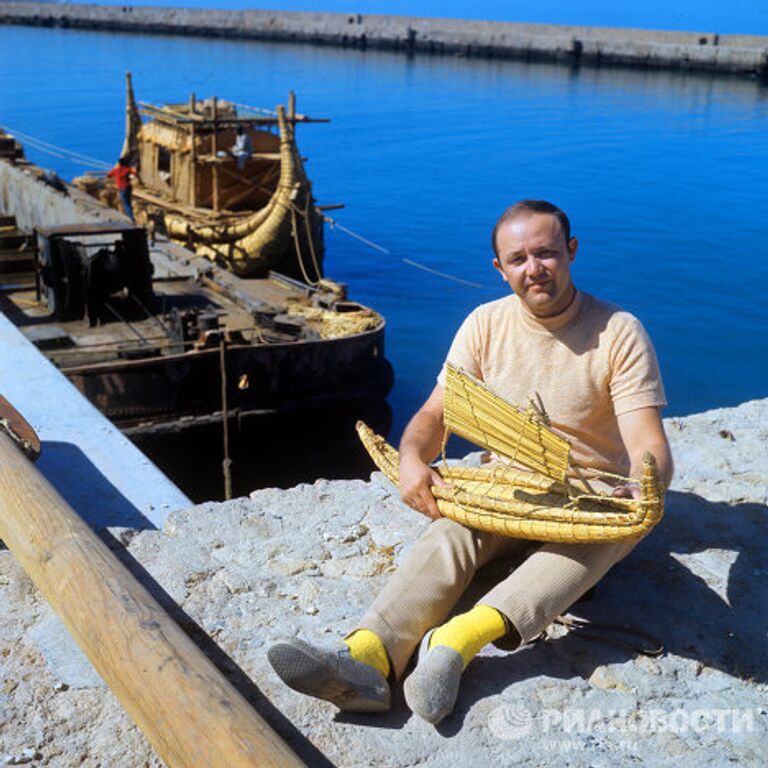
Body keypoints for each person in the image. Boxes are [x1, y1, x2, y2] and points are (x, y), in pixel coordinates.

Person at [267, 200, 674, 724]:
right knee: (447, 534)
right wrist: (412, 457)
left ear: (571, 252)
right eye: (519, 258)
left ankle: (455, 644)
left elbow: (648, 442)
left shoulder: (618, 331)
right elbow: (436, 413)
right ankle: (367, 658)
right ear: (499, 268)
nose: (535, 269)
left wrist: (644, 488)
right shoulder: (484, 324)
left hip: (589, 495)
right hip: (505, 482)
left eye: (546, 253)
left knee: (614, 534)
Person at [107, 157, 139, 222]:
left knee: (125, 204)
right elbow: (135, 174)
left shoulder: (116, 170)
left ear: (119, 163)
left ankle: (131, 218)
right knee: (128, 203)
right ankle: (130, 216)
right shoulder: (127, 169)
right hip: (128, 188)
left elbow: (108, 175)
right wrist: (134, 170)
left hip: (121, 189)